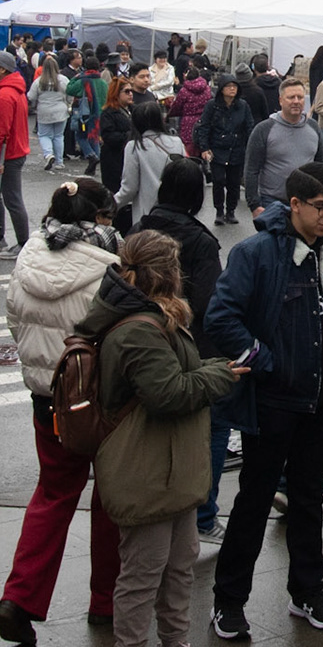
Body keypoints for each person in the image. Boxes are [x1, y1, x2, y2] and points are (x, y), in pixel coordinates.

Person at [76, 230, 246, 647]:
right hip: (144, 468)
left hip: (172, 466)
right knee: (143, 572)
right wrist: (221, 374)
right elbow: (168, 393)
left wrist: (208, 368)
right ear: (167, 273)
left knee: (179, 564)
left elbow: (174, 377)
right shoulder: (138, 329)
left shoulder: (154, 318)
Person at [204, 163, 323, 640]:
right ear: (294, 205)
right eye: (321, 207)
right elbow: (220, 317)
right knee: (254, 500)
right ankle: (229, 601)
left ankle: (308, 591)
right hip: (273, 403)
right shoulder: (255, 254)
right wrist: (264, 361)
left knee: (309, 500)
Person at [0, 179, 122, 646]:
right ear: (98, 219)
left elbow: (14, 321)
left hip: (47, 398)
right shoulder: (109, 268)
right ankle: (106, 601)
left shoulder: (28, 256)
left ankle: (19, 597)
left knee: (52, 494)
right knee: (111, 497)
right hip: (99, 401)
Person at [130, 158, 231, 538]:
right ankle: (204, 515)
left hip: (143, 343)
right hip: (193, 348)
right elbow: (209, 302)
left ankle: (161, 505)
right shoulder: (200, 241)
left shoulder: (138, 230)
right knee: (213, 427)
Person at [244, 76, 323, 217]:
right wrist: (254, 205)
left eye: (300, 97)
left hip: (306, 203)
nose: (296, 101)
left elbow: (322, 165)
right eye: (291, 97)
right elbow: (251, 169)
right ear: (280, 100)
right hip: (271, 202)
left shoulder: (313, 127)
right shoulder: (264, 129)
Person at [0, 49, 33, 252]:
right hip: (15, 150)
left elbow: (0, 130)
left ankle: (22, 242)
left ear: (3, 69)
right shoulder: (15, 89)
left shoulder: (4, 95)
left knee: (12, 199)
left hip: (9, 154)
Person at [113, 97, 185, 231]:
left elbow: (129, 188)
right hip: (176, 213)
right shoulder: (177, 143)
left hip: (147, 215)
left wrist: (111, 205)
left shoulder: (134, 146)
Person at [196, 75, 254, 226]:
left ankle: (231, 211)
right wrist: (204, 147)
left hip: (237, 148)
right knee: (218, 180)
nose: (232, 89)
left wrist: (250, 147)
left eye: (235, 86)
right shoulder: (212, 105)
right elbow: (204, 126)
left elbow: (249, 126)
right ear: (222, 89)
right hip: (217, 148)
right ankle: (219, 211)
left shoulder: (243, 106)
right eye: (229, 86)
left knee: (234, 182)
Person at [28, 55, 69, 172]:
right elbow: (69, 93)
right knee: (59, 136)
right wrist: (68, 103)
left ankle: (48, 154)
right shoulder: (63, 80)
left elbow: (31, 96)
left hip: (44, 111)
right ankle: (59, 162)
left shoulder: (39, 81)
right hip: (61, 110)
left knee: (44, 135)